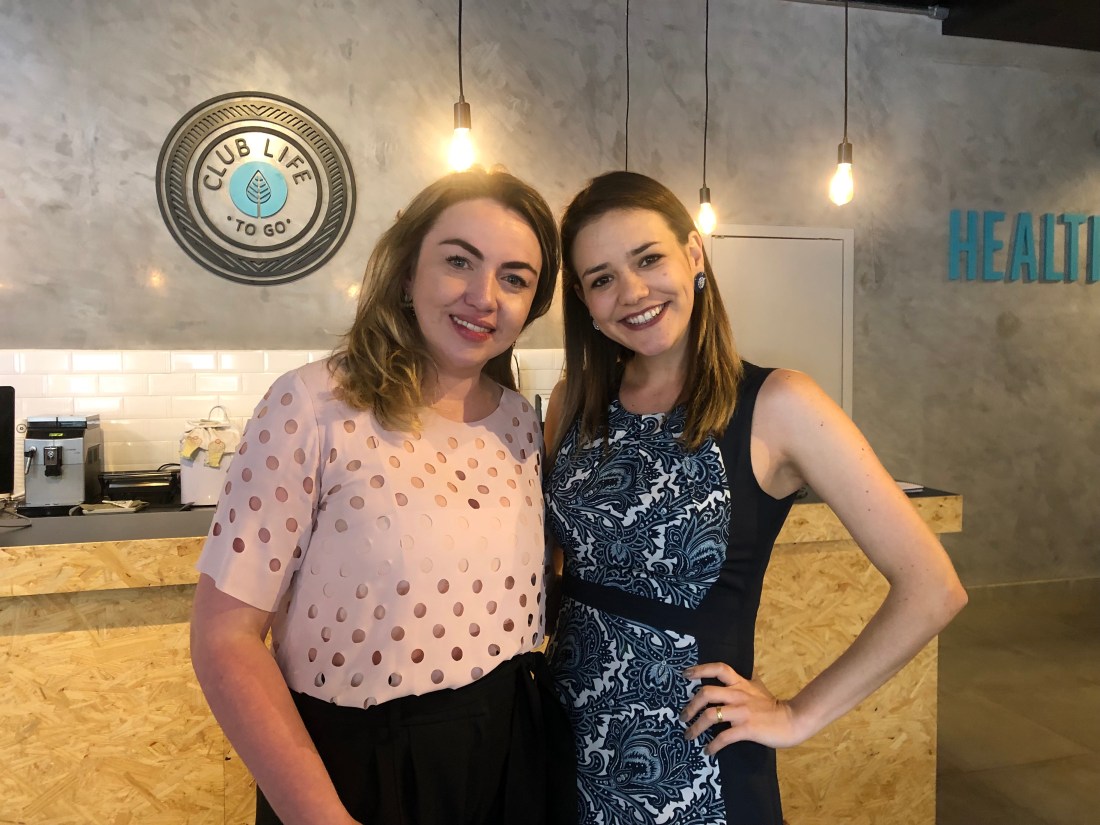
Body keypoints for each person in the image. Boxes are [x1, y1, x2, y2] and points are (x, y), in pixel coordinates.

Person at [542, 170, 967, 824]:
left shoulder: (779, 403)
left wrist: (798, 715)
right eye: (602, 278)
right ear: (584, 300)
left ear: (693, 254)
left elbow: (933, 588)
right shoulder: (573, 400)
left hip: (693, 770)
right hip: (563, 746)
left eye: (648, 259)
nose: (632, 292)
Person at [190, 168, 575, 825]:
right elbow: (225, 636)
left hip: (509, 755)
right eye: (459, 261)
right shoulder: (312, 405)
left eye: (514, 278)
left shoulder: (519, 422)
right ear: (405, 273)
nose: (483, 296)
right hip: (360, 771)